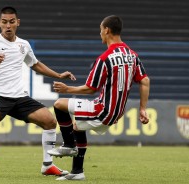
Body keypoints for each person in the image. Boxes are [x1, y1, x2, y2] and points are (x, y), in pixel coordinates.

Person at [48, 15, 150, 180]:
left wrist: (67, 89)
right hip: (116, 112)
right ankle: (77, 172)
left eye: (100, 30)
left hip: (103, 110)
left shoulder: (105, 58)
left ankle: (68, 145)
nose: (100, 34)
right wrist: (143, 108)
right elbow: (144, 81)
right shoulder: (132, 55)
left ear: (107, 30)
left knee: (59, 104)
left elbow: (90, 89)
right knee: (78, 126)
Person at [0, 6, 76, 176]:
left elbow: (35, 64)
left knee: (50, 121)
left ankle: (47, 165)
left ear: (18, 23)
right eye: (4, 22)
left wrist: (58, 75)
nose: (8, 25)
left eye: (12, 22)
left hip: (19, 97)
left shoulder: (23, 44)